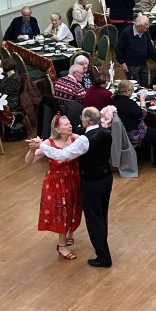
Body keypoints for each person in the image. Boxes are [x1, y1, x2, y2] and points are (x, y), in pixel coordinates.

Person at [28, 106, 114, 268]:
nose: (78, 120)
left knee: (94, 220)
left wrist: (42, 145)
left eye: (81, 117)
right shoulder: (105, 132)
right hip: (106, 178)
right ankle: (101, 248)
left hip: (92, 182)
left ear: (87, 120)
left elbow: (62, 155)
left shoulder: (84, 139)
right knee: (101, 216)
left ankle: (103, 257)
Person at [26, 114, 81, 260]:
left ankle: (70, 231)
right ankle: (61, 245)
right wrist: (32, 149)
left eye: (70, 123)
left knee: (73, 207)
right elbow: (29, 161)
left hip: (73, 179)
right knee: (61, 211)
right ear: (57, 129)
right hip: (57, 182)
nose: (70, 125)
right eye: (66, 124)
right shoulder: (49, 143)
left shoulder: (74, 138)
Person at [112, 80, 156, 168]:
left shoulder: (115, 99)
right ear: (127, 91)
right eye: (132, 90)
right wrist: (142, 102)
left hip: (123, 130)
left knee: (153, 130)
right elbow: (141, 115)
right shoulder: (128, 103)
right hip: (133, 133)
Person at [115, 14, 156, 87]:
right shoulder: (126, 33)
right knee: (135, 87)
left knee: (145, 86)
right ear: (140, 26)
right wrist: (122, 63)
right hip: (131, 66)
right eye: (146, 25)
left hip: (143, 64)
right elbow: (118, 49)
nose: (148, 27)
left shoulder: (145, 32)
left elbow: (149, 47)